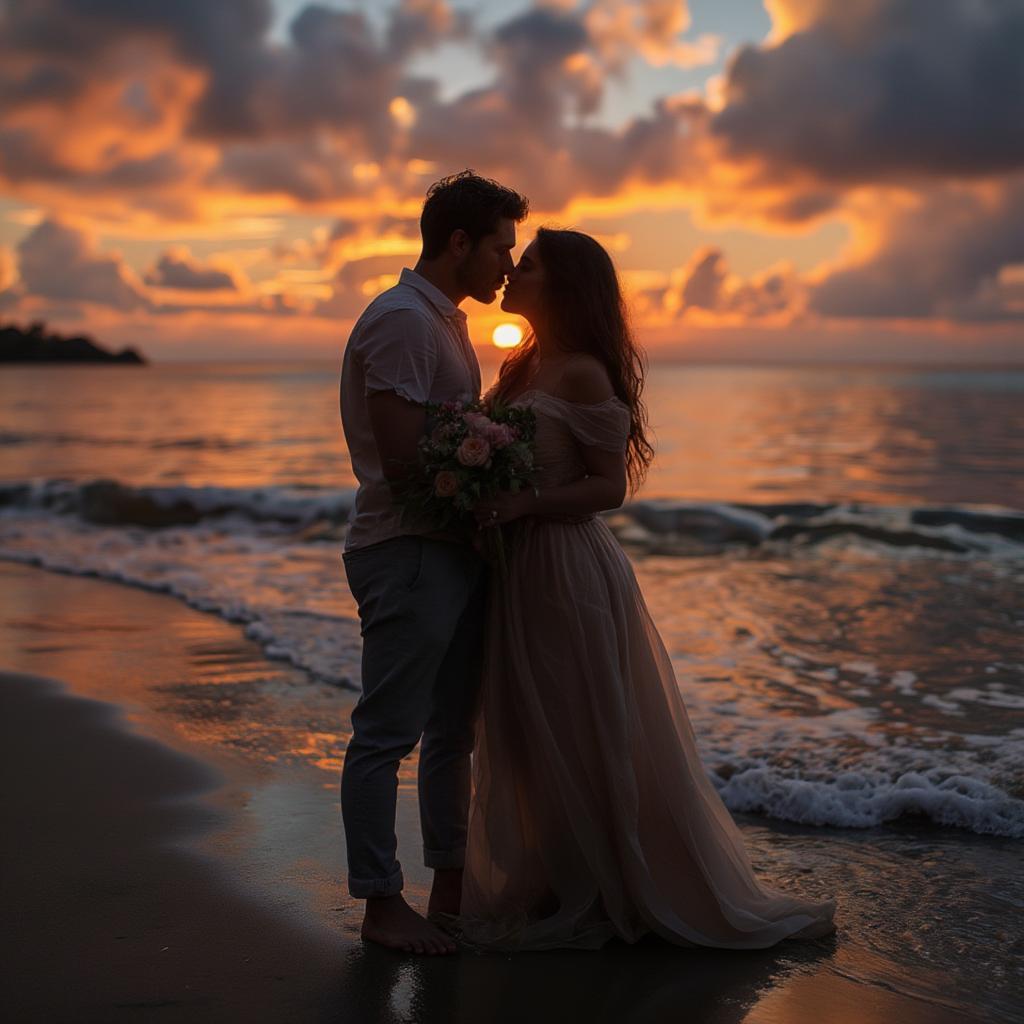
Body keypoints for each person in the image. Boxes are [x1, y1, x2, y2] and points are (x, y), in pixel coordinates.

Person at [443, 227, 837, 951]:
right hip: (516, 569)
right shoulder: (519, 361)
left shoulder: (585, 373)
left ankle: (614, 883)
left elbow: (607, 487)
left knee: (583, 725)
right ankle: (553, 875)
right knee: (528, 730)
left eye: (526, 265)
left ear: (560, 285)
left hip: (567, 568)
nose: (513, 273)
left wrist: (525, 505)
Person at [338, 171, 529, 955]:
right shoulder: (402, 321)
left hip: (446, 552)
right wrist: (492, 466)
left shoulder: (442, 320)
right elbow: (402, 454)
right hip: (407, 551)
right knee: (386, 734)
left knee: (454, 732)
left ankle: (446, 892)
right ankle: (383, 904)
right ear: (459, 242)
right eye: (499, 248)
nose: (507, 267)